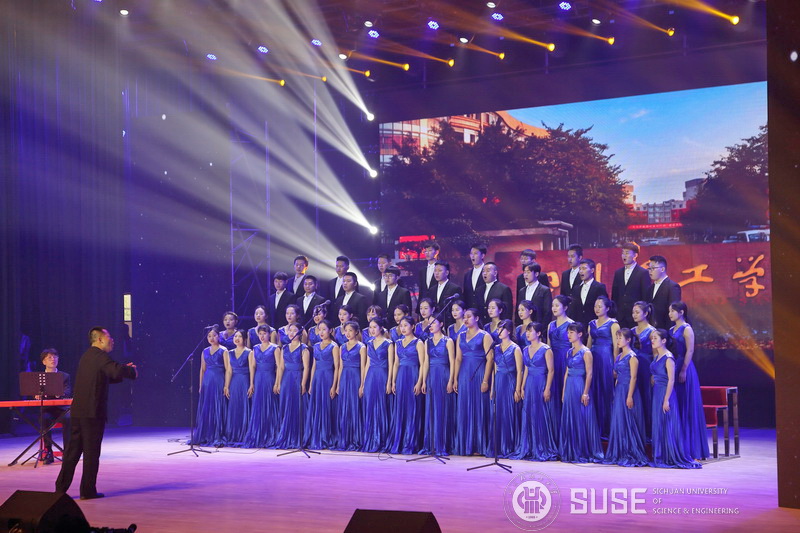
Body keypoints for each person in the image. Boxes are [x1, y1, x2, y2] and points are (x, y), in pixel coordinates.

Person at [55, 327, 137, 500]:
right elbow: (114, 370)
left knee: (72, 452)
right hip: (92, 412)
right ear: (99, 339)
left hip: (78, 411)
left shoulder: (87, 356)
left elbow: (104, 376)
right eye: (109, 337)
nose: (112, 340)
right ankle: (87, 491)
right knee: (91, 452)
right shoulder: (100, 356)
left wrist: (122, 370)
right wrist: (130, 371)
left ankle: (60, 489)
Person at [649, 329, 701, 469]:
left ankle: (671, 455)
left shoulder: (668, 357)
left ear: (663, 340)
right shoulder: (657, 356)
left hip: (666, 393)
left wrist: (666, 399)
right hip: (657, 393)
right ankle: (660, 455)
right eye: (652, 338)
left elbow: (671, 380)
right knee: (659, 423)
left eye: (655, 338)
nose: (652, 340)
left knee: (668, 423)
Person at [669, 301, 710, 461]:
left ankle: (692, 448)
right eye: (669, 311)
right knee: (677, 405)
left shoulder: (687, 329)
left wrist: (684, 369)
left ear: (681, 312)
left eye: (672, 311)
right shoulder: (671, 330)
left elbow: (690, 350)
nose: (670, 314)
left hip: (684, 368)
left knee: (687, 405)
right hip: (673, 366)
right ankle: (677, 447)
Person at [513, 322, 559, 461]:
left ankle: (542, 446)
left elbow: (551, 370)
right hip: (529, 383)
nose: (527, 333)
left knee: (540, 414)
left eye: (531, 331)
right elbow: (526, 369)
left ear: (538, 333)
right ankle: (529, 446)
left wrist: (547, 388)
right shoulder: (525, 349)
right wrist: (522, 386)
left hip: (541, 382)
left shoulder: (546, 349)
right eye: (527, 331)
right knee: (528, 413)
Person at [559, 322, 604, 463]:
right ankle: (570, 449)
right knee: (570, 416)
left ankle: (583, 450)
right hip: (570, 385)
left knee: (581, 416)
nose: (569, 335)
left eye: (571, 332)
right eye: (568, 332)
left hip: (580, 384)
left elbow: (589, 373)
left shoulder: (586, 352)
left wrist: (585, 392)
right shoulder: (569, 351)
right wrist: (563, 391)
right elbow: (566, 372)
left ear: (580, 334)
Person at [604, 328, 648, 467]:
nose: (617, 341)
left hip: (629, 391)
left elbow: (634, 378)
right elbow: (617, 375)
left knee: (629, 420)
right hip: (619, 390)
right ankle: (619, 451)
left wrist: (629, 396)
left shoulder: (632, 357)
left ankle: (630, 451)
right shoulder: (619, 356)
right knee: (619, 420)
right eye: (617, 338)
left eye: (620, 338)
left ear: (628, 340)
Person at [453, 308, 493, 455]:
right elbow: (458, 359)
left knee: (478, 407)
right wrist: (455, 378)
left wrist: (485, 380)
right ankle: (465, 445)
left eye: (469, 316)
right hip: (464, 374)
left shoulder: (485, 335)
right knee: (464, 407)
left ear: (476, 318)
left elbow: (490, 359)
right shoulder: (460, 336)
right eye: (464, 317)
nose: (466, 319)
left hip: (479, 373)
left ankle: (479, 445)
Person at [486, 320, 523, 459]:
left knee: (509, 413)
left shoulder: (515, 348)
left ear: (509, 331)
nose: (499, 332)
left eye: (502, 329)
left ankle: (509, 445)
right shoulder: (496, 348)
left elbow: (520, 371)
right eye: (498, 329)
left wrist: (517, 389)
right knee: (498, 414)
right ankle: (497, 446)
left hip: (510, 382)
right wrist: (492, 388)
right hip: (499, 382)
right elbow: (495, 369)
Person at [388, 316, 425, 454]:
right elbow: (396, 363)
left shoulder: (418, 342)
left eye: (406, 325)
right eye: (401, 326)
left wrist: (420, 381)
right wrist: (393, 381)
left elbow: (423, 364)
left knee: (412, 408)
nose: (403, 328)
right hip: (401, 377)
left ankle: (411, 442)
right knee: (401, 409)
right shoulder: (398, 343)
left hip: (413, 375)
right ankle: (399, 441)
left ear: (413, 326)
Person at [420, 316, 455, 456]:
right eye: (429, 323)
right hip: (431, 376)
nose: (431, 325)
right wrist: (423, 380)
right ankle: (431, 444)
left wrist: (451, 380)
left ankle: (442, 444)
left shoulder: (448, 341)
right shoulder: (427, 341)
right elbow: (425, 362)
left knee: (442, 408)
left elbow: (452, 361)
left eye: (433, 323)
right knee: (431, 409)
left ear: (441, 323)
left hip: (443, 374)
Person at [304, 320, 340, 450]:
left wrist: (334, 385)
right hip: (317, 378)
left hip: (328, 377)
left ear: (330, 330)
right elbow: (313, 366)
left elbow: (337, 367)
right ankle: (316, 435)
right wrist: (311, 383)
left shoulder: (334, 346)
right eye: (320, 329)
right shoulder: (316, 346)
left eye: (324, 329)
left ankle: (327, 436)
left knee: (327, 405)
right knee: (317, 406)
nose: (321, 332)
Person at [274, 323, 311, 449]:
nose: (291, 333)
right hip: (286, 379)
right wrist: (278, 382)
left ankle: (297, 437)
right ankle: (285, 434)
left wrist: (303, 384)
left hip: (297, 377)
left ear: (300, 333)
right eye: (290, 330)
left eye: (295, 330)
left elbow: (306, 367)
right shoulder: (284, 348)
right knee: (285, 405)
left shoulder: (304, 348)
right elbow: (281, 367)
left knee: (297, 406)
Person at [586, 296, 618, 438]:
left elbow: (616, 347)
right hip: (593, 357)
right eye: (595, 306)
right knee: (594, 389)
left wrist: (615, 365)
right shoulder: (591, 324)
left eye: (600, 306)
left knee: (606, 390)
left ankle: (607, 427)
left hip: (606, 358)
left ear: (607, 308)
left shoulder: (613, 324)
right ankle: (595, 426)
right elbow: (588, 344)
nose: (597, 309)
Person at [361, 318, 394, 453]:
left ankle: (382, 440)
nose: (372, 330)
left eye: (375, 327)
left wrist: (389, 382)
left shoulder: (388, 344)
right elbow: (367, 364)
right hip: (371, 376)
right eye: (370, 327)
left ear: (381, 328)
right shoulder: (369, 343)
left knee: (381, 406)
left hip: (382, 375)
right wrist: (363, 383)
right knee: (370, 406)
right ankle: (370, 440)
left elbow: (391, 365)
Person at [245, 325, 280, 449]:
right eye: (260, 334)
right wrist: (251, 383)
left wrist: (277, 383)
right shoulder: (255, 348)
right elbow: (253, 367)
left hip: (270, 378)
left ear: (269, 334)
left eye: (264, 333)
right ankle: (258, 435)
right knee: (258, 406)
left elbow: (279, 367)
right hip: (258, 378)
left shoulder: (275, 348)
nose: (262, 336)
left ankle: (270, 434)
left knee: (270, 405)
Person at [334, 322, 366, 451]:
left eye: (350, 330)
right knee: (344, 407)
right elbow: (340, 367)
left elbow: (363, 367)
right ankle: (344, 438)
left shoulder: (361, 347)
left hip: (355, 377)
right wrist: (338, 384)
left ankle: (356, 438)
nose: (347, 333)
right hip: (344, 378)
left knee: (354, 406)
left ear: (356, 331)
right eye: (345, 330)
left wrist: (362, 384)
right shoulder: (342, 347)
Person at [193, 328, 227, 447]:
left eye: (214, 335)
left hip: (218, 379)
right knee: (207, 407)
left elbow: (228, 369)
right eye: (209, 336)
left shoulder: (223, 350)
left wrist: (226, 385)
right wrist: (201, 385)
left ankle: (217, 434)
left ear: (219, 336)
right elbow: (202, 369)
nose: (212, 338)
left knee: (217, 405)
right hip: (207, 381)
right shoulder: (205, 351)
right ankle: (205, 434)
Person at [38, 349, 72, 464]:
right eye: (49, 357)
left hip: (61, 409)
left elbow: (67, 391)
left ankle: (67, 451)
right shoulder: (39, 377)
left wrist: (59, 393)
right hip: (47, 409)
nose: (53, 359)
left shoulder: (64, 376)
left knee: (68, 418)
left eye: (55, 357)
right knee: (44, 419)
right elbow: (34, 391)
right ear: (44, 362)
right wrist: (37, 395)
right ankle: (48, 452)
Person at [611, 242, 651, 330]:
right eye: (623, 253)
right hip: (620, 317)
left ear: (635, 255)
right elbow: (615, 295)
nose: (624, 256)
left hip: (636, 317)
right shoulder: (618, 273)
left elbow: (645, 297)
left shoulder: (643, 273)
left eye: (627, 253)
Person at [223, 330, 252, 447]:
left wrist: (251, 384)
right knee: (234, 407)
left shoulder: (249, 352)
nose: (237, 338)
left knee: (244, 406)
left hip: (244, 381)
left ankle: (244, 434)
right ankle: (233, 434)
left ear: (244, 339)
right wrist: (226, 386)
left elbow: (252, 370)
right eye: (235, 336)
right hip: (234, 382)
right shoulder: (229, 353)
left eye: (240, 336)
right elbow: (229, 371)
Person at [632, 301, 656, 440]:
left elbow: (656, 354)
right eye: (633, 312)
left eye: (637, 312)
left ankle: (648, 432)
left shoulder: (652, 331)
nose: (634, 315)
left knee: (647, 396)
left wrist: (654, 373)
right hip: (634, 367)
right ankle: (637, 431)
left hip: (646, 367)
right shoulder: (632, 331)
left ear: (646, 313)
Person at [547, 295, 574, 412]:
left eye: (557, 305)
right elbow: (548, 346)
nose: (554, 308)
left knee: (565, 388)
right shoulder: (550, 325)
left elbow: (574, 348)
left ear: (565, 307)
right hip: (553, 359)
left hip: (565, 359)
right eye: (553, 305)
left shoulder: (571, 324)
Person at [645, 255, 682, 330]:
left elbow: (674, 311)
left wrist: (669, 332)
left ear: (662, 269)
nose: (650, 271)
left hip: (665, 330)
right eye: (649, 268)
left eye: (653, 268)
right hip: (652, 330)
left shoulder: (672, 287)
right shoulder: (650, 288)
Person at [570, 258, 608, 325]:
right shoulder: (576, 289)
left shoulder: (599, 287)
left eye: (584, 268)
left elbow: (604, 307)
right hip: (579, 325)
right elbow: (573, 309)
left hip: (595, 324)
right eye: (580, 269)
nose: (581, 271)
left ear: (592, 270)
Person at [430, 261, 461, 329]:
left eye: (440, 270)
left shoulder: (454, 288)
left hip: (449, 323)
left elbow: (458, 307)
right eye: (435, 271)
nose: (436, 273)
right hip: (436, 325)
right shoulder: (432, 290)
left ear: (447, 272)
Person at [462, 244, 487, 310]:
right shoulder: (467, 274)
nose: (472, 256)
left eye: (475, 253)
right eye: (471, 253)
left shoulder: (488, 272)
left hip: (484, 310)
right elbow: (465, 294)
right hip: (470, 310)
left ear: (482, 255)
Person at [417, 240, 440, 305]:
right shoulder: (422, 270)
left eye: (430, 250)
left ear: (436, 252)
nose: (427, 253)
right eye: (425, 251)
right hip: (424, 304)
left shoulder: (441, 267)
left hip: (437, 303)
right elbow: (421, 290)